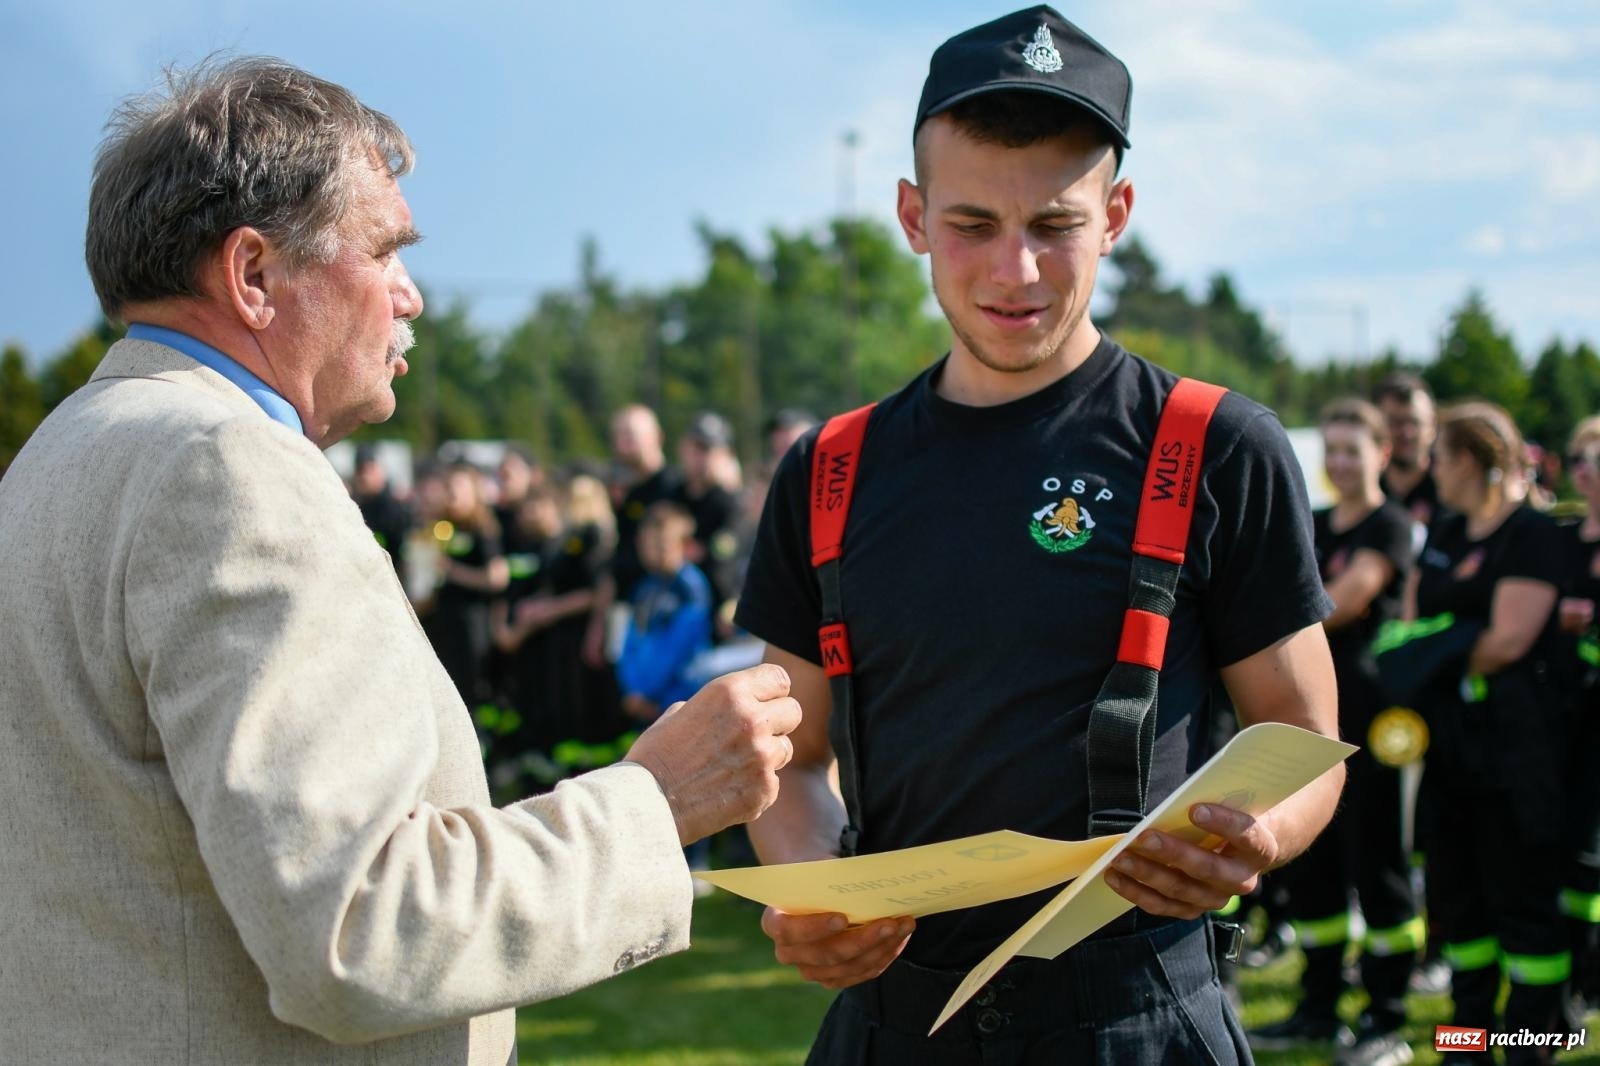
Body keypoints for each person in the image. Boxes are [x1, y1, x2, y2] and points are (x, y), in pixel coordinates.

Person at [0, 57, 801, 1066]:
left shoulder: (58, 456)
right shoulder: (225, 470)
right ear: (252, 276)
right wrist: (656, 803)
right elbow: (359, 928)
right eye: (383, 250)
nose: (411, 295)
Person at [736, 8, 1342, 1061]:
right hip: (897, 1024)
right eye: (972, 224)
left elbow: (1301, 734)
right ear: (911, 216)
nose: (1014, 272)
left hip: (1137, 1019)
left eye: (1053, 226)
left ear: (1115, 214)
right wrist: (811, 890)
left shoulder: (1216, 443)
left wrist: (1260, 838)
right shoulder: (826, 469)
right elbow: (790, 758)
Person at [1246, 400, 1420, 1065]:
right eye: (1334, 449)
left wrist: (1272, 606)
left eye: (1355, 449)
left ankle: (1386, 1016)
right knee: (1312, 867)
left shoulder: (1392, 524)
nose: (1342, 462)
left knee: (1377, 866)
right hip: (1307, 722)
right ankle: (1318, 1007)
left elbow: (1340, 601)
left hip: (1371, 722)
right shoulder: (1312, 523)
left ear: (1382, 453)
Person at [1408, 402, 1573, 1063]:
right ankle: (1465, 1046)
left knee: (1524, 904)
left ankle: (1532, 1045)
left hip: (1518, 749)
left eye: (1439, 457)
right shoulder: (1447, 527)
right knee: (1458, 905)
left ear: (1470, 462)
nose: (1430, 470)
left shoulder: (1534, 533)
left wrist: (1436, 648)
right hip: (1450, 746)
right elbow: (1413, 624)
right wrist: (1448, 643)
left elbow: (1507, 640)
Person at [1556, 417, 1600, 1016]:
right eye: (1579, 457)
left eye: (1598, 457)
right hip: (1561, 715)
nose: (1586, 467)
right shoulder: (1560, 536)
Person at [584, 403, 683, 667]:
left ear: (657, 437)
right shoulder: (629, 494)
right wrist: (599, 622)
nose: (623, 442)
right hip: (627, 614)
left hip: (665, 619)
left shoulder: (677, 487)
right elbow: (617, 559)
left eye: (630, 433)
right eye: (617, 434)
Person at [617, 501, 716, 725]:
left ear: (684, 545)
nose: (652, 552)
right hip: (642, 699)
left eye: (661, 544)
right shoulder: (645, 588)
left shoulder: (690, 587)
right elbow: (630, 641)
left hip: (676, 699)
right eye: (646, 545)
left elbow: (682, 645)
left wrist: (651, 692)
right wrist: (633, 689)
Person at [429, 463, 508, 709]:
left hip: (472, 620)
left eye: (458, 486)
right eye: (448, 486)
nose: (452, 492)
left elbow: (497, 578)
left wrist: (452, 571)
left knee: (471, 685)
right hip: (442, 618)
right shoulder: (439, 526)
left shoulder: (482, 528)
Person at [1376, 373, 1445, 534]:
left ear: (1432, 426)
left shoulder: (1453, 492)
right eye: (1395, 422)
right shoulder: (1365, 491)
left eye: (1415, 422)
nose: (1407, 433)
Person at [350, 442, 413, 578]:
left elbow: (404, 557)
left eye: (369, 470)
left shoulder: (395, 510)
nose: (364, 477)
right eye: (360, 471)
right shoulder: (353, 505)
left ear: (381, 471)